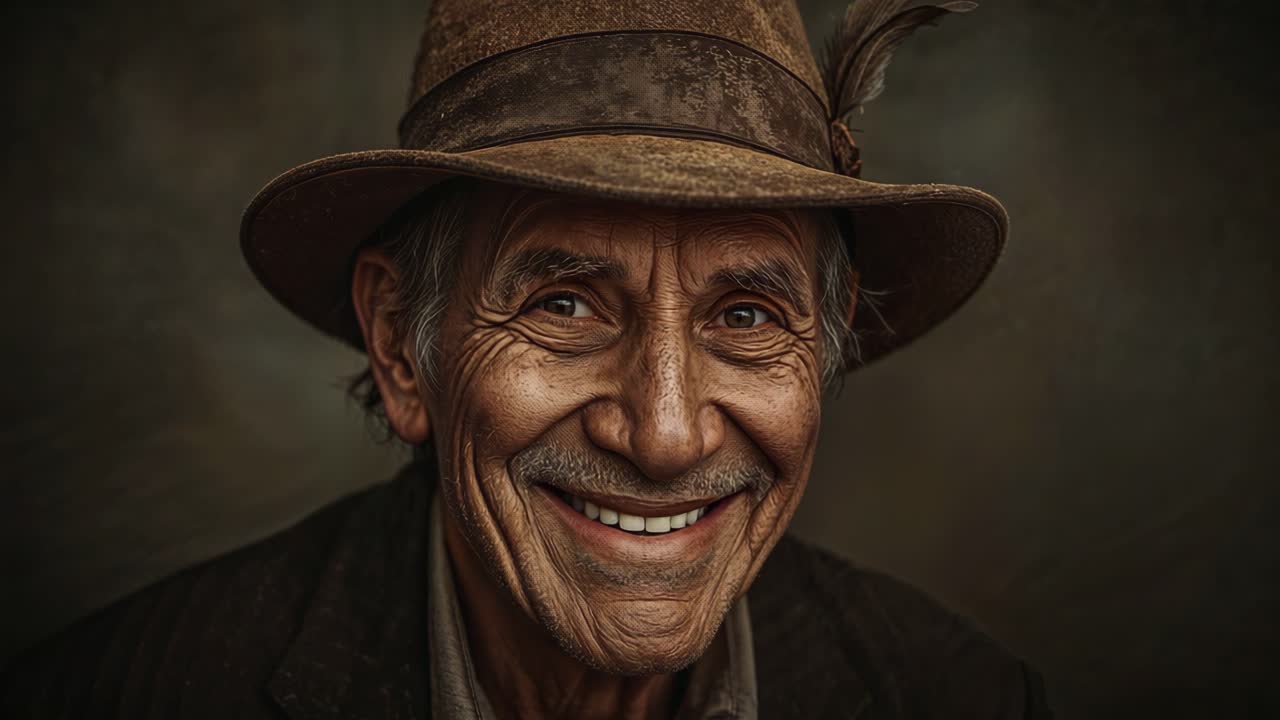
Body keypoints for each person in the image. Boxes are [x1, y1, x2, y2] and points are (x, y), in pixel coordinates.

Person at [3, 0, 1052, 717]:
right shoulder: (132, 693)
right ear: (400, 348)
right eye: (561, 303)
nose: (663, 432)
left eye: (743, 316)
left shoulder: (952, 696)